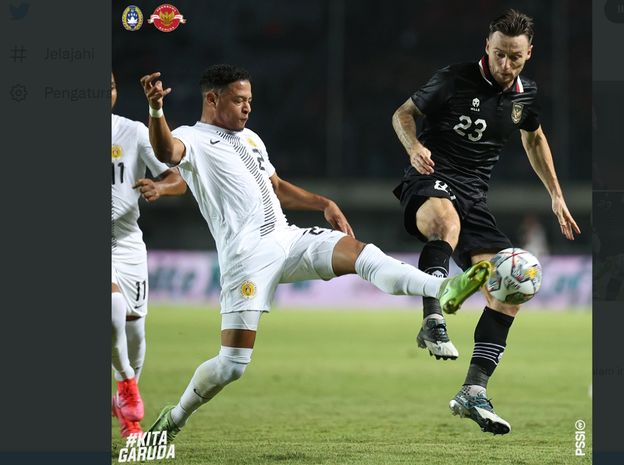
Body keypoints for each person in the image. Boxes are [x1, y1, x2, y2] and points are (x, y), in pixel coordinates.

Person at [139, 64, 493, 441]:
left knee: (362, 254)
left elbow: (275, 186)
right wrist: (157, 110)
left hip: (287, 238)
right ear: (212, 99)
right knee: (231, 366)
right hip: (246, 260)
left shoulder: (251, 139)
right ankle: (174, 418)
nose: (247, 108)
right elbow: (166, 151)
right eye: (240, 100)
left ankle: (442, 290)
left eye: (250, 101)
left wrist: (323, 202)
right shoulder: (190, 138)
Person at [391, 9, 580, 434]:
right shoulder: (453, 78)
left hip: (474, 198)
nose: (505, 64)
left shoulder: (525, 94)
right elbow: (402, 114)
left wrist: (556, 194)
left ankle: (474, 391)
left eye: (514, 56)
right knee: (446, 223)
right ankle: (432, 316)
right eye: (499, 54)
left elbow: (533, 137)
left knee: (510, 286)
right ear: (487, 48)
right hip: (430, 179)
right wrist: (414, 147)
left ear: (528, 53)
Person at [111, 72, 187, 437]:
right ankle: (128, 394)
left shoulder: (132, 132)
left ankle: (125, 403)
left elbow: (178, 178)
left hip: (126, 244)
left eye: (109, 87)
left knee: (135, 331)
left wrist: (158, 186)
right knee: (110, 308)